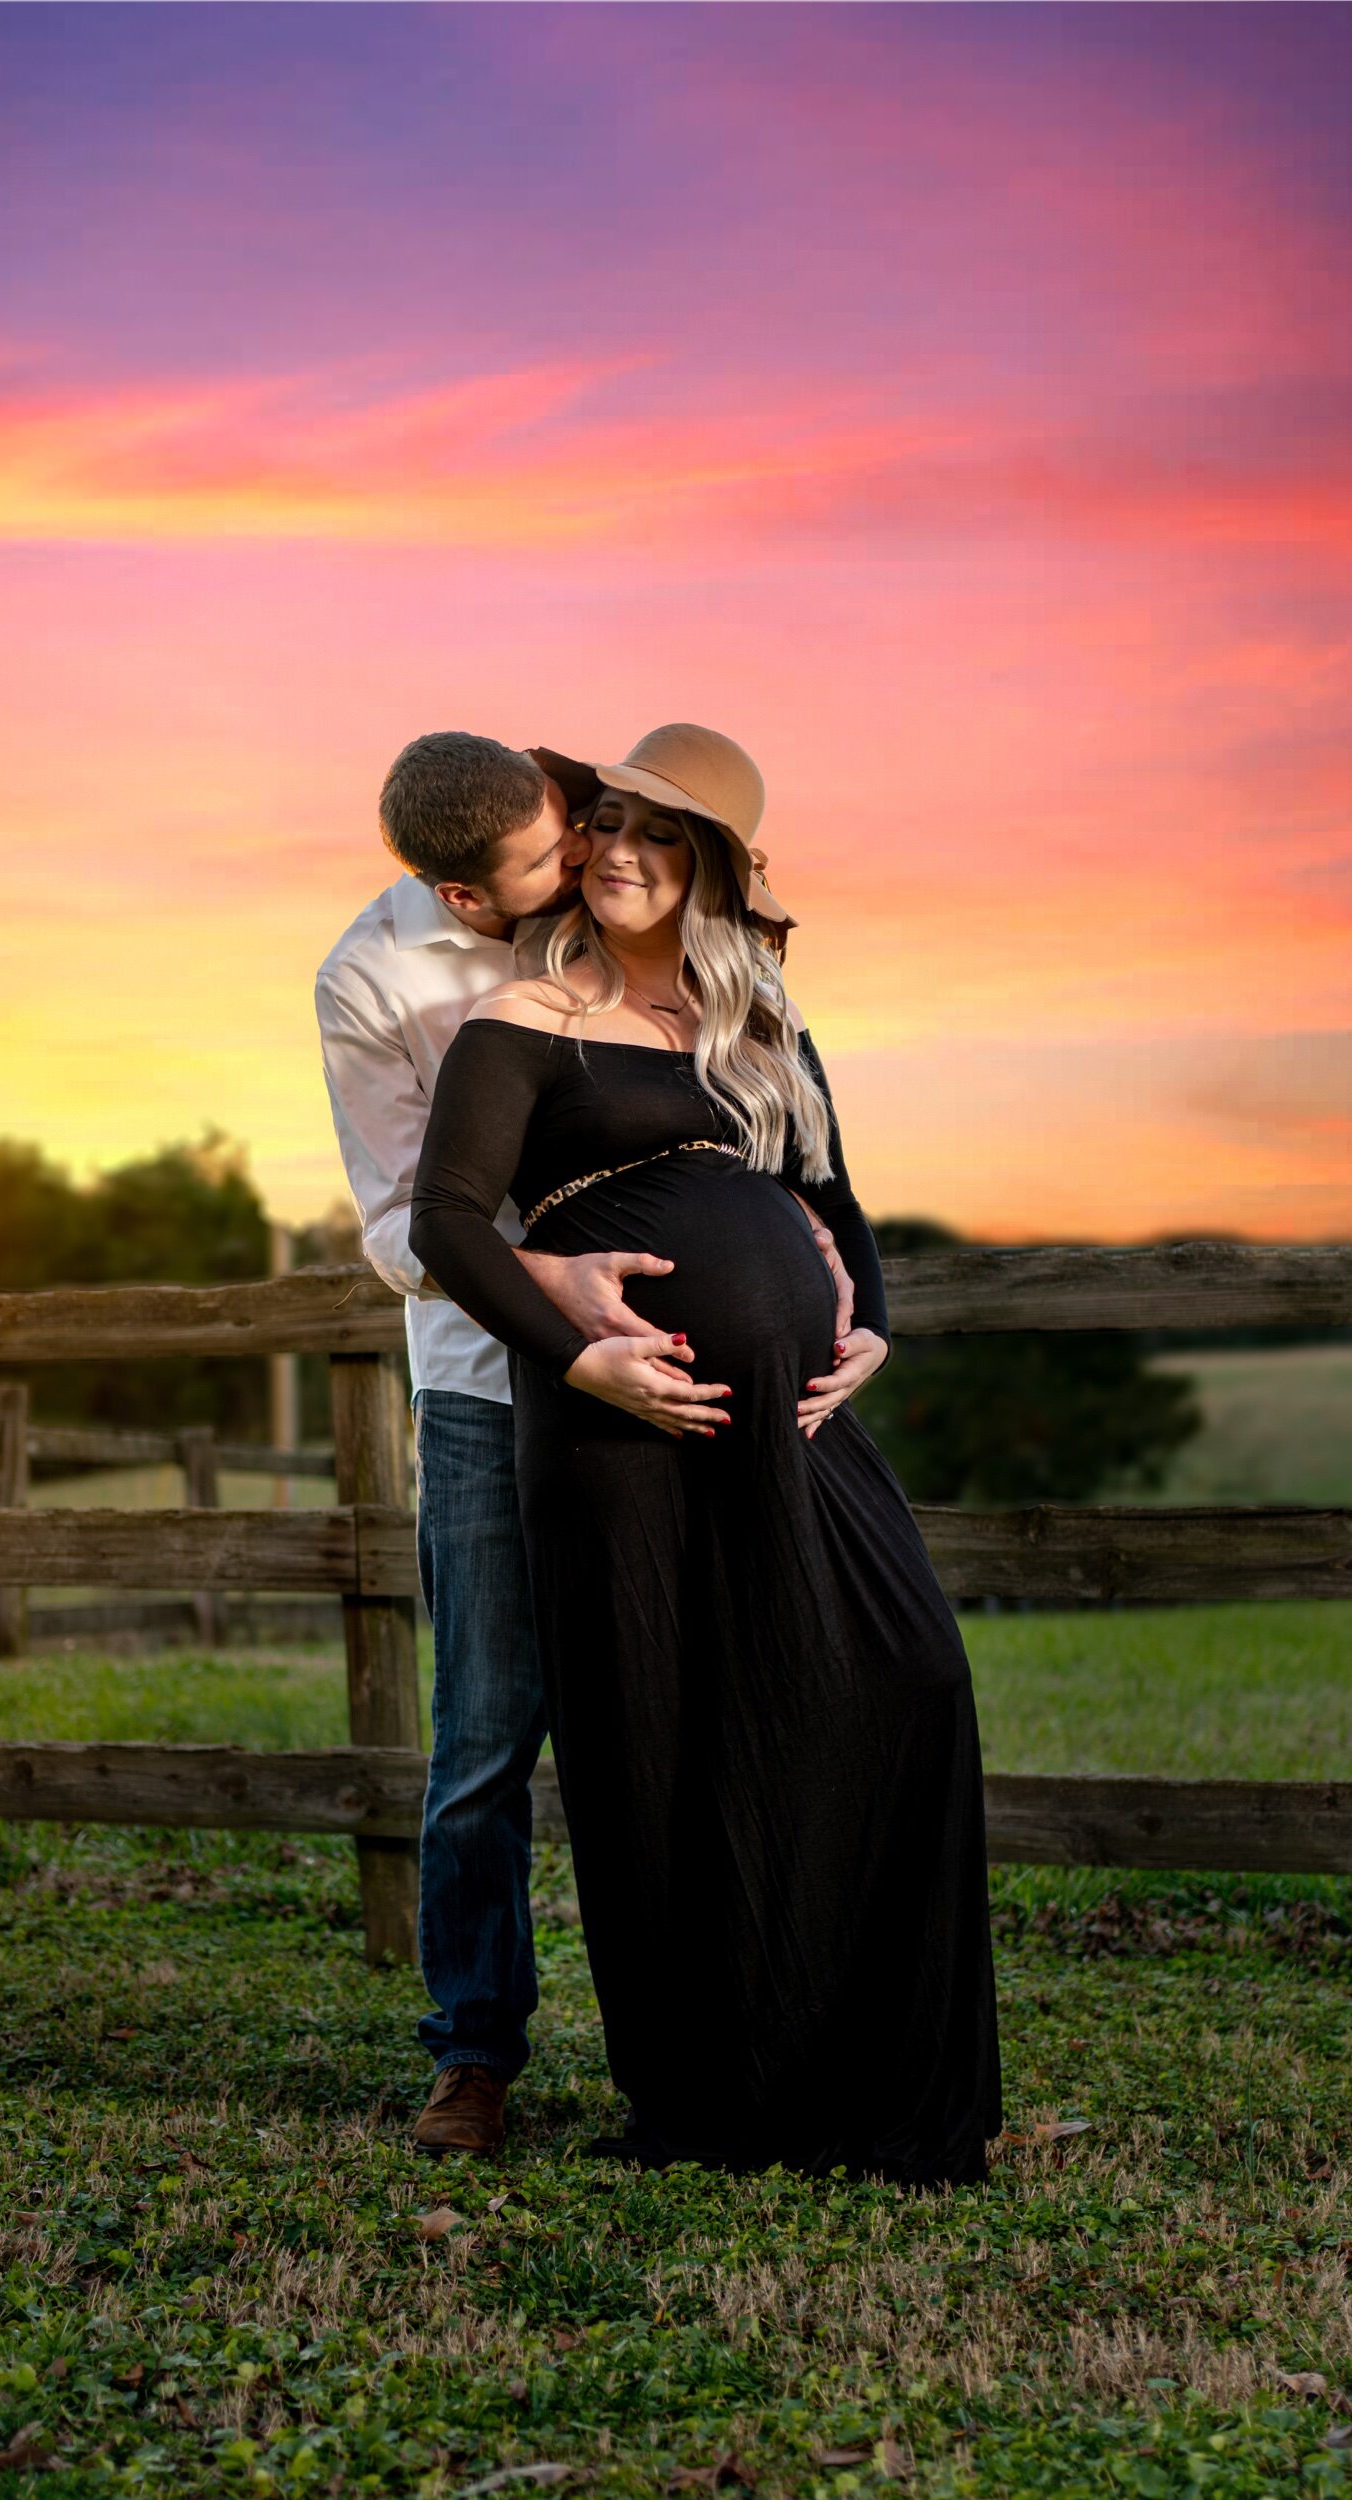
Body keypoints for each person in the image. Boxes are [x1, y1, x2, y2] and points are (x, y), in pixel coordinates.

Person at [410, 724, 1002, 2184]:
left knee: (909, 1674)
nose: (621, 852)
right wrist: (580, 1359)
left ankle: (863, 2069)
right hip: (617, 1424)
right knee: (665, 1741)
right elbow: (447, 1225)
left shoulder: (762, 1024)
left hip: (792, 1422)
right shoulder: (526, 1021)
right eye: (609, 823)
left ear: (715, 872)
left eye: (661, 836)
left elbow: (835, 1199)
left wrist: (873, 1330)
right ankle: (711, 2095)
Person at [317, 731, 871, 2157]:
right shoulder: (373, 980)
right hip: (495, 1390)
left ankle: (771, 2025)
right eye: (551, 858)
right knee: (489, 1735)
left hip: (686, 1385)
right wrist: (555, 1288)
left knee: (729, 1691)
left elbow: (747, 1099)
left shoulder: (607, 867)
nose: (584, 860)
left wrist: (809, 1245)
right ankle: (475, 2049)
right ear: (466, 897)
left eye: (580, 827)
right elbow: (404, 1227)